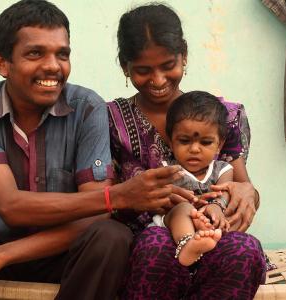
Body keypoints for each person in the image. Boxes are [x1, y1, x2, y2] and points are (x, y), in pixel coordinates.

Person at [0, 1, 193, 299]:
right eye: (35, 53)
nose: (53, 66)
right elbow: (11, 207)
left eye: (62, 54)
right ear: (2, 62)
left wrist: (0, 256)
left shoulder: (87, 108)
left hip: (64, 253)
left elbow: (95, 216)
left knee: (111, 235)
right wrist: (118, 196)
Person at [108, 4, 266, 299]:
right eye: (143, 70)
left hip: (212, 237)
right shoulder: (111, 121)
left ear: (184, 56)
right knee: (154, 244)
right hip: (148, 246)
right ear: (124, 66)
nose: (158, 80)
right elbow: (106, 201)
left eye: (169, 65)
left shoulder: (223, 117)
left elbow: (243, 186)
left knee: (245, 250)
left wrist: (246, 194)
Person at [153, 91, 236, 267]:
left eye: (205, 142)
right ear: (171, 141)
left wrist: (217, 206)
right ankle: (188, 244)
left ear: (219, 145)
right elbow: (163, 198)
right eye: (184, 141)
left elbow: (225, 192)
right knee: (184, 208)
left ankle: (203, 237)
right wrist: (194, 205)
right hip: (172, 223)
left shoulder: (222, 169)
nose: (195, 149)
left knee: (213, 214)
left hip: (207, 223)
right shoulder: (167, 169)